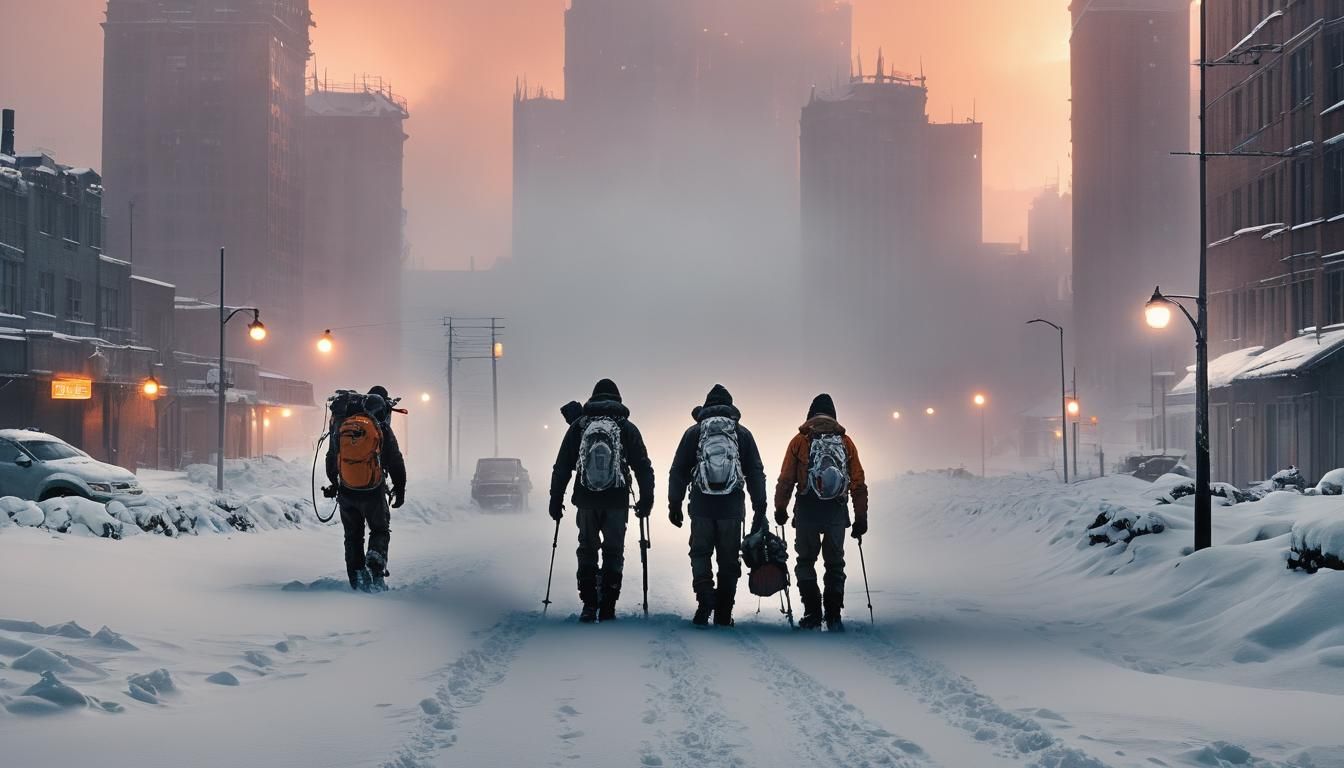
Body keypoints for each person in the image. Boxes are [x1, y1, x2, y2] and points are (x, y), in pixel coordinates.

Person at [549, 379, 655, 623]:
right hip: (617, 500)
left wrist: (556, 499)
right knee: (613, 551)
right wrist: (646, 498)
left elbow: (562, 466)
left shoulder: (579, 425)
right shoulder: (626, 427)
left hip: (586, 500)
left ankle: (588, 604)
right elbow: (643, 466)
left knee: (587, 548)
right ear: (618, 399)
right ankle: (608, 605)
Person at [668, 385, 768, 627]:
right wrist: (759, 507)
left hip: (701, 506)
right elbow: (756, 472)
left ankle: (705, 600)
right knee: (729, 559)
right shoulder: (741, 433)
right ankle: (723, 612)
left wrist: (675, 503)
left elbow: (678, 470)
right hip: (731, 509)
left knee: (700, 553)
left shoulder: (694, 432)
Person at [773, 394, 867, 631]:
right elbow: (858, 483)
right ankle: (834, 616)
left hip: (807, 509)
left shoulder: (799, 441)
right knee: (835, 564)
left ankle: (813, 613)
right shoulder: (846, 442)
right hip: (836, 511)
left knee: (805, 560)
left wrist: (780, 508)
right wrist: (861, 518)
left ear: (810, 414)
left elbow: (786, 479)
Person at [325, 385, 407, 593]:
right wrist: (400, 489)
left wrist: (336, 483)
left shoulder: (342, 425)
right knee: (379, 529)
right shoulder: (380, 427)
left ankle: (357, 578)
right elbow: (395, 460)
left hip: (347, 490)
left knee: (352, 536)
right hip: (373, 490)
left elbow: (331, 457)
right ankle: (376, 561)